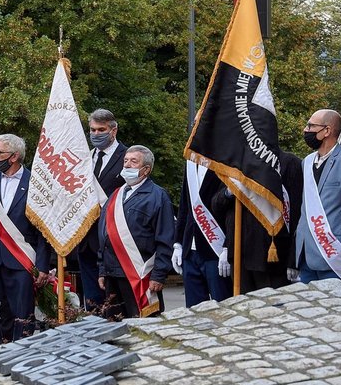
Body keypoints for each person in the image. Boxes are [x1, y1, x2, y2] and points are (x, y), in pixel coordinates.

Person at [0, 135, 50, 346]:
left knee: (21, 313)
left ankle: (21, 353)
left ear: (14, 157)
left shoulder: (35, 184)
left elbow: (43, 229)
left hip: (20, 259)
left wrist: (42, 265)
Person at [98, 145, 174, 319]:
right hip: (112, 274)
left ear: (146, 169)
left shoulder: (158, 196)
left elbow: (165, 239)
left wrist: (159, 275)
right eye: (125, 161)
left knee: (143, 329)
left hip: (140, 276)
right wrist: (102, 270)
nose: (127, 165)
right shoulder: (115, 195)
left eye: (133, 161)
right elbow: (104, 235)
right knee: (114, 327)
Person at [213, 151, 303, 291]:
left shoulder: (288, 162)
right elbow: (217, 206)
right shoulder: (237, 163)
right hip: (239, 255)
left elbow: (296, 213)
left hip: (271, 257)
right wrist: (228, 193)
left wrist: (293, 259)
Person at [295, 110, 341, 285]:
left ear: (327, 131)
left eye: (311, 126)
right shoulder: (306, 162)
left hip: (334, 258)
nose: (306, 130)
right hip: (306, 256)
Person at [74, 109, 126, 310]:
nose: (96, 134)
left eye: (101, 130)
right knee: (92, 303)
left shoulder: (128, 157)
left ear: (113, 130)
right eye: (92, 130)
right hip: (87, 240)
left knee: (114, 303)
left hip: (113, 239)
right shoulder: (85, 159)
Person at [172, 161, 232, 307]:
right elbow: (185, 204)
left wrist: (228, 246)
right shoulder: (191, 161)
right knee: (193, 313)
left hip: (215, 248)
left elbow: (232, 212)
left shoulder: (226, 158)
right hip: (189, 250)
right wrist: (178, 243)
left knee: (223, 308)